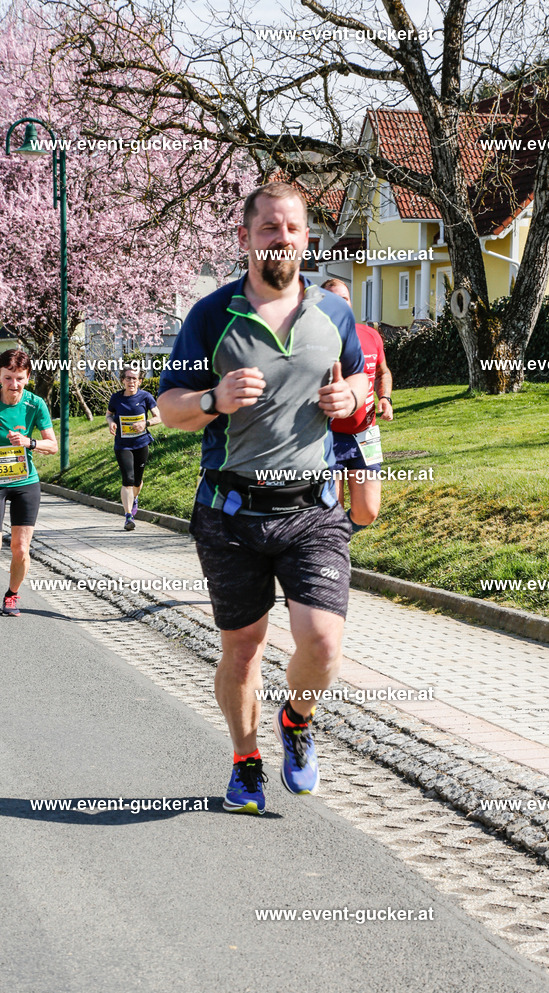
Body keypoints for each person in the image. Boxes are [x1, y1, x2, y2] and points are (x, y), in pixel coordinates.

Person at [157, 182, 367, 815]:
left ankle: (297, 720)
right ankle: (245, 761)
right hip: (231, 511)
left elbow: (359, 377)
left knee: (323, 643)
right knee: (243, 646)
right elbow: (169, 409)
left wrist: (351, 399)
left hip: (312, 508)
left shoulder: (333, 313)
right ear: (246, 237)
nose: (282, 238)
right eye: (269, 228)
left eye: (293, 229)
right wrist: (212, 400)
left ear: (308, 238)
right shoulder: (211, 316)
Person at [321, 278, 393, 532]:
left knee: (368, 512)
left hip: (366, 434)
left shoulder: (370, 335)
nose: (340, 305)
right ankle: (330, 548)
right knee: (331, 509)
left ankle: (338, 537)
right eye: (332, 300)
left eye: (345, 299)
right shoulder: (312, 340)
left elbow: (383, 372)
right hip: (326, 436)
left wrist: (385, 398)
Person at [0, 349, 58, 615]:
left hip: (25, 482)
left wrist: (29, 443)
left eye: (19, 378)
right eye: (8, 378)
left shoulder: (36, 404)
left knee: (21, 548)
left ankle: (12, 595)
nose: (14, 385)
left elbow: (52, 446)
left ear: (28, 377)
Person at [106, 365, 161, 531]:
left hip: (141, 443)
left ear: (139, 381)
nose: (131, 381)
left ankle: (134, 498)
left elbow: (159, 416)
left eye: (134, 378)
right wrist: (111, 422)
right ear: (123, 380)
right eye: (128, 378)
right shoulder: (116, 398)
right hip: (123, 445)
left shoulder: (146, 397)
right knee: (128, 479)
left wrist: (146, 423)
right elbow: (109, 414)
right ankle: (128, 516)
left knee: (137, 480)